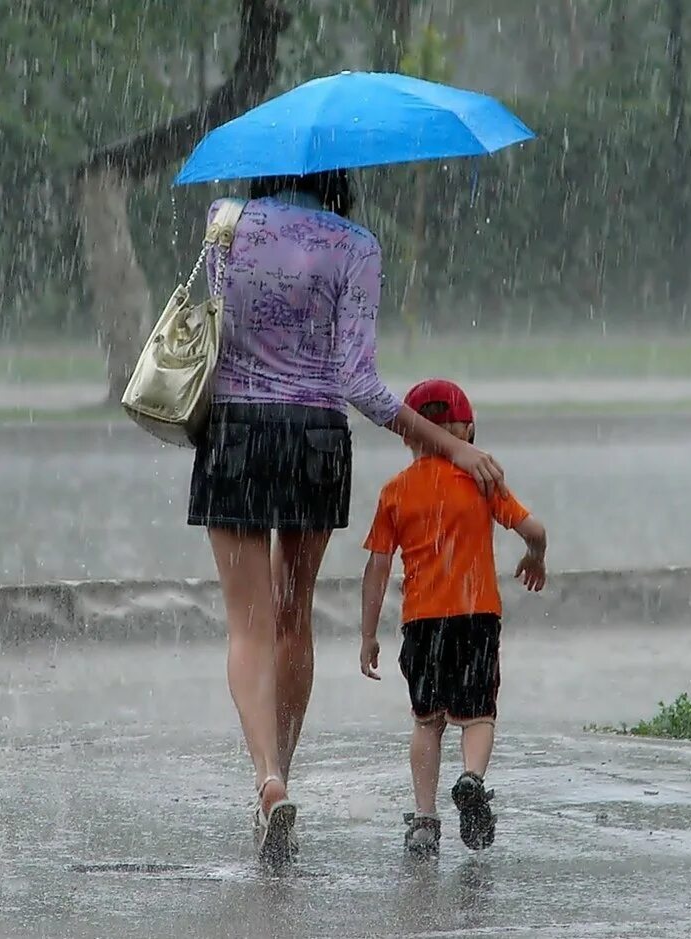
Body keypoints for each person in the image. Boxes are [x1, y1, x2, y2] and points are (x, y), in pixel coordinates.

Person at [186, 171, 507, 865]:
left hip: (236, 431)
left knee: (246, 624)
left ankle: (267, 781)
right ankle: (287, 774)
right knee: (291, 613)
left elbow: (218, 333)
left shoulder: (226, 222)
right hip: (315, 439)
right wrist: (448, 443)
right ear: (342, 176)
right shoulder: (355, 245)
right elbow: (357, 380)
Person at [358, 378, 547, 856]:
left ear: (408, 435)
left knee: (427, 722)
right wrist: (535, 556)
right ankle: (471, 779)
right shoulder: (483, 481)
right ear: (466, 431)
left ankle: (424, 819)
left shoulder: (395, 492)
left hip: (421, 622)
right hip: (476, 614)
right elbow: (534, 529)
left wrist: (367, 634)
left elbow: (378, 566)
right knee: (478, 715)